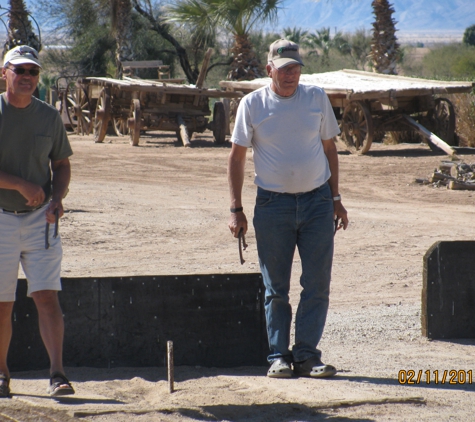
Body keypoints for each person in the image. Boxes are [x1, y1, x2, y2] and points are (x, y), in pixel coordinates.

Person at [227, 39, 349, 378]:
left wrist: (336, 200)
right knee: (275, 287)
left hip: (317, 203)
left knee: (317, 284)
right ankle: (279, 357)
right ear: (270, 70)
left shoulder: (316, 98)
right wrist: (236, 208)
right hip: (272, 204)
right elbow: (236, 158)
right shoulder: (252, 104)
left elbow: (330, 150)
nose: (291, 74)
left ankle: (308, 356)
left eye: (295, 68)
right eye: (284, 69)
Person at [0, 45, 74, 397]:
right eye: (20, 70)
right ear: (5, 73)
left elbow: (61, 165)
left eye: (33, 71)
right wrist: (18, 183)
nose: (27, 77)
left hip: (40, 221)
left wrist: (57, 198)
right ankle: (1, 374)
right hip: (0, 218)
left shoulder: (48, 117)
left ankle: (58, 373)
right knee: (2, 303)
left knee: (47, 296)